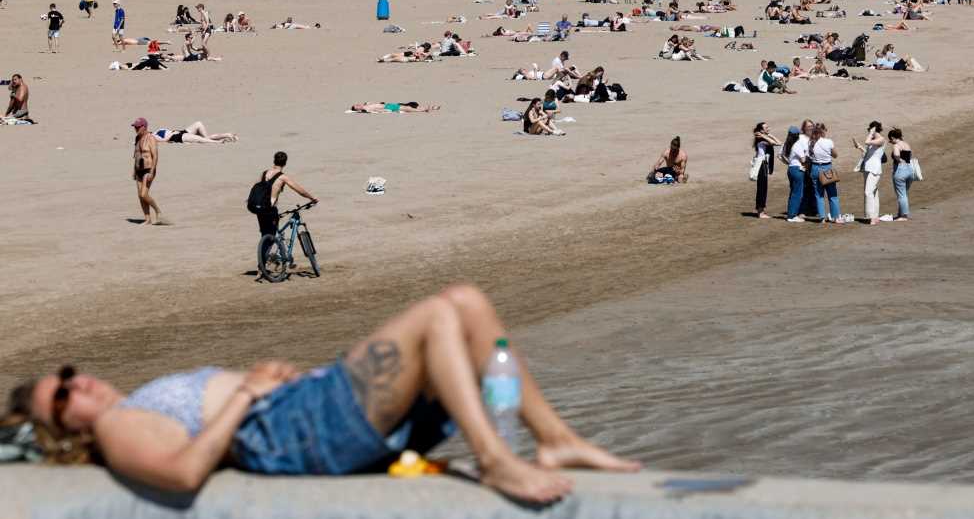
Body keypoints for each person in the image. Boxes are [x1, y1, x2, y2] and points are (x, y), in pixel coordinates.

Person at [4, 285, 640, 503]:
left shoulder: (130, 403)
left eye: (67, 373)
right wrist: (246, 394)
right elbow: (182, 471)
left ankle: (554, 440)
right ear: (68, 429)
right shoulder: (117, 428)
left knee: (466, 303)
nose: (76, 383)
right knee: (437, 317)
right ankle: (498, 457)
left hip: (309, 411)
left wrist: (260, 383)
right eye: (61, 398)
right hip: (301, 431)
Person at [254, 151, 317, 237]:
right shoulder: (283, 177)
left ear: (274, 161)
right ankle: (271, 247)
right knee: (272, 237)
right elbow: (300, 190)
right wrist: (312, 198)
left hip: (259, 208)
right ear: (285, 163)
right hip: (270, 209)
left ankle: (265, 247)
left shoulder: (264, 173)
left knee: (265, 234)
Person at [852, 120, 886, 224]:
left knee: (868, 192)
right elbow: (868, 153)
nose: (868, 132)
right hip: (868, 168)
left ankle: (870, 217)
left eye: (869, 130)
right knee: (874, 192)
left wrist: (871, 133)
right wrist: (859, 147)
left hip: (874, 169)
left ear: (874, 129)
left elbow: (867, 142)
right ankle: (875, 216)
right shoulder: (873, 139)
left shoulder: (881, 139)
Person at [807, 123, 842, 223]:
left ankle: (822, 217)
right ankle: (836, 217)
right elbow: (835, 155)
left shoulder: (810, 143)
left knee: (819, 195)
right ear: (822, 131)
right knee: (832, 194)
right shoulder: (828, 141)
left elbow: (809, 156)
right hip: (827, 169)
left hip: (815, 168)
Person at [131, 118, 163, 225]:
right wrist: (134, 170)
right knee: (140, 196)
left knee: (144, 194)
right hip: (139, 170)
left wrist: (152, 171)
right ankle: (147, 219)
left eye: (137, 127)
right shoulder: (137, 138)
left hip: (148, 169)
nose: (135, 128)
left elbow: (155, 155)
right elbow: (136, 155)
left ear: (144, 127)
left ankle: (158, 211)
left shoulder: (151, 138)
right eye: (135, 127)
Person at [752, 122, 781, 218]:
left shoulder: (762, 137)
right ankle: (760, 212)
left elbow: (779, 142)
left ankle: (761, 210)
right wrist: (764, 136)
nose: (768, 128)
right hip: (761, 165)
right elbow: (773, 143)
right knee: (762, 188)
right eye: (766, 127)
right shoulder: (760, 139)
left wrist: (769, 134)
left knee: (764, 188)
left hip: (764, 165)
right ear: (761, 130)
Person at [781, 123, 809, 222]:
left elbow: (781, 156)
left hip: (790, 169)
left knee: (793, 192)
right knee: (798, 193)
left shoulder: (786, 144)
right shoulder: (797, 144)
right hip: (797, 170)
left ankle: (791, 213)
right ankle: (792, 216)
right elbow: (803, 159)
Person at [889, 127, 913, 221]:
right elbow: (910, 156)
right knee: (904, 193)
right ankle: (900, 214)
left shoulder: (896, 145)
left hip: (900, 170)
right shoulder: (906, 144)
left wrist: (899, 160)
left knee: (901, 194)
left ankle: (903, 216)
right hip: (910, 170)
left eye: (890, 139)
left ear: (892, 137)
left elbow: (896, 155)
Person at [153, 121, 238, 144]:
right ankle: (219, 141)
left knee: (198, 124)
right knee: (201, 139)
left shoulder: (155, 132)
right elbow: (165, 141)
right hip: (177, 138)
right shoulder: (152, 139)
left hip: (180, 132)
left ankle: (227, 135)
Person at [349, 102, 441, 113]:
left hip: (390, 104)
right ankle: (430, 108)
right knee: (409, 109)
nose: (358, 105)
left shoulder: (366, 104)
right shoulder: (365, 109)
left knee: (410, 105)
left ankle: (426, 108)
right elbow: (366, 111)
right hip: (391, 108)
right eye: (356, 106)